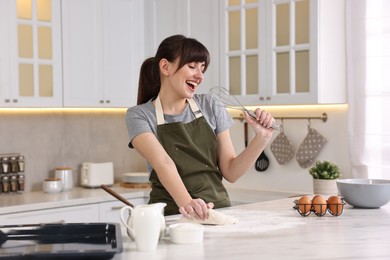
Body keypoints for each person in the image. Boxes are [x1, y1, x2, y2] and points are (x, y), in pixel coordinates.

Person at [126, 34, 275, 220]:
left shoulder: (211, 105)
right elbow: (163, 163)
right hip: (172, 217)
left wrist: (262, 138)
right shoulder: (139, 115)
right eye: (192, 66)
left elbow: (231, 171)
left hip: (217, 212)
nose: (200, 76)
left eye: (202, 68)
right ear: (165, 67)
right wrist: (188, 204)